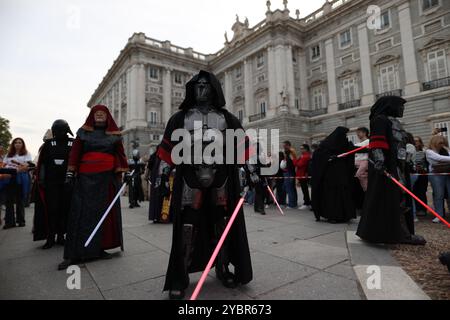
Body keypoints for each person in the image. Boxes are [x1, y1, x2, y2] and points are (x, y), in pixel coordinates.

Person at [154, 70, 253, 300]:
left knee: (223, 222)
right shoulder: (180, 118)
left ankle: (223, 267)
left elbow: (242, 147)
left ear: (213, 89)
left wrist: (251, 170)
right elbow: (167, 148)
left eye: (205, 86)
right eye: (197, 85)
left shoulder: (227, 118)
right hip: (190, 174)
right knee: (188, 225)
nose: (200, 89)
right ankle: (180, 276)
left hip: (220, 175)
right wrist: (162, 171)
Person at [58, 105, 129, 270]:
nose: (99, 116)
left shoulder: (115, 136)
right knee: (79, 215)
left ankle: (99, 249)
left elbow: (120, 155)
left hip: (107, 180)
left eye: (102, 114)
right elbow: (75, 153)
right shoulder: (83, 132)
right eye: (96, 113)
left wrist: (123, 174)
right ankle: (73, 254)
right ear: (92, 116)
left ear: (107, 117)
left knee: (105, 216)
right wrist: (70, 173)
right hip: (85, 179)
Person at [356, 96, 426, 245]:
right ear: (391, 106)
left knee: (400, 200)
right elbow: (377, 142)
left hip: (399, 165)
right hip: (387, 167)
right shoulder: (380, 119)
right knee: (394, 201)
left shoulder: (395, 122)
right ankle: (401, 235)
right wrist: (380, 161)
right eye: (400, 106)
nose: (402, 109)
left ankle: (399, 233)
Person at [33, 120, 74, 249]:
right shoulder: (48, 144)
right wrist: (41, 179)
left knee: (65, 209)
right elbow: (43, 164)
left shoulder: (73, 143)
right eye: (56, 129)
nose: (59, 132)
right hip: (51, 184)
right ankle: (50, 237)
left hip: (68, 183)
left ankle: (62, 235)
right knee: (51, 210)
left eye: (61, 129)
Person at [311, 127, 356, 223]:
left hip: (342, 175)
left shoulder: (345, 144)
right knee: (332, 196)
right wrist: (329, 157)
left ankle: (344, 215)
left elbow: (352, 151)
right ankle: (332, 215)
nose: (346, 137)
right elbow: (318, 156)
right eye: (344, 135)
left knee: (342, 194)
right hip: (330, 176)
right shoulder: (326, 144)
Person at [3, 138, 32, 229]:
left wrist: (16, 169)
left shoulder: (27, 154)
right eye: (15, 142)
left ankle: (21, 221)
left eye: (19, 142)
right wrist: (14, 169)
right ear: (13, 144)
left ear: (23, 144)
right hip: (9, 178)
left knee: (20, 200)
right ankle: (9, 222)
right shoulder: (8, 154)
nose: (17, 144)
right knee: (9, 201)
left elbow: (27, 166)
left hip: (21, 178)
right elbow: (3, 165)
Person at [425, 135, 450, 223]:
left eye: (443, 143)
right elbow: (438, 158)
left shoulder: (445, 150)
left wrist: (446, 152)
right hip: (436, 175)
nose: (441, 145)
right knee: (439, 195)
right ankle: (439, 215)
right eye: (440, 143)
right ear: (434, 142)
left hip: (447, 173)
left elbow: (442, 159)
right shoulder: (429, 151)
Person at [411, 136, 428, 217]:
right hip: (414, 173)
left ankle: (423, 209)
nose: (416, 143)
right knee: (415, 191)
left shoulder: (424, 151)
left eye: (417, 141)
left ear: (420, 142)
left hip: (422, 174)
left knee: (422, 191)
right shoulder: (411, 150)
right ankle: (417, 209)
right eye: (414, 141)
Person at [295, 144, 311, 210]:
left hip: (303, 175)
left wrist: (297, 159)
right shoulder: (303, 156)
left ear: (306, 149)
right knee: (304, 189)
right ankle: (307, 202)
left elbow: (298, 164)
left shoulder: (306, 156)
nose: (301, 150)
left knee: (305, 190)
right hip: (302, 174)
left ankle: (306, 203)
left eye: (302, 148)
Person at [282, 141, 298, 209]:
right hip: (288, 171)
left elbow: (294, 162)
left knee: (290, 188)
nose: (283, 147)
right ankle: (293, 203)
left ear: (288, 145)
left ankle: (292, 204)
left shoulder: (291, 152)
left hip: (289, 172)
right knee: (290, 188)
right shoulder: (287, 153)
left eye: (284, 145)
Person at [354, 127, 370, 192]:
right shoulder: (357, 143)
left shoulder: (368, 141)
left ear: (364, 133)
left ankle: (366, 190)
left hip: (364, 162)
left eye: (359, 132)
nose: (357, 134)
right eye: (357, 132)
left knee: (359, 175)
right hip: (357, 163)